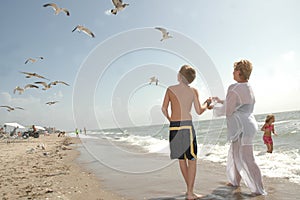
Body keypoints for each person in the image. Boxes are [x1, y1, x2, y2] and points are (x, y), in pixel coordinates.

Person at [212, 59, 266, 195]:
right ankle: (235, 181)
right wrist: (221, 101)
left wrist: (213, 107)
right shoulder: (248, 87)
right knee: (237, 155)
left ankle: (259, 189)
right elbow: (237, 103)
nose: (232, 72)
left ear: (240, 72)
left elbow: (228, 110)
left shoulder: (234, 88)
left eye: (235, 69)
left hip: (240, 128)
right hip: (248, 125)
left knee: (247, 158)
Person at [161, 64, 211, 200]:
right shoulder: (193, 91)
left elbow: (164, 109)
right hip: (187, 127)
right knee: (192, 159)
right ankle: (190, 192)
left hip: (174, 127)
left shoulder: (170, 89)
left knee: (182, 159)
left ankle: (189, 191)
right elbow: (199, 111)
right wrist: (207, 104)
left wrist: (171, 119)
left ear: (179, 76)